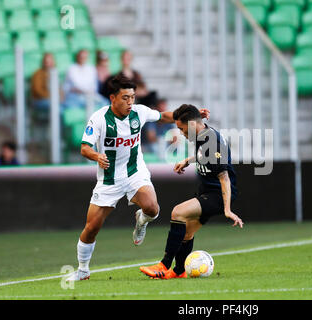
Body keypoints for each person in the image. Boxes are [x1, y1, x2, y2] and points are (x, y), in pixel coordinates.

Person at [65, 76, 210, 281]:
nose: (130, 102)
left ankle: (141, 220)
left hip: (135, 173)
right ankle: (82, 270)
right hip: (109, 180)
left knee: (152, 208)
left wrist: (193, 119)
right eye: (125, 98)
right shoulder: (98, 118)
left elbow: (165, 116)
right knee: (91, 228)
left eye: (132, 97)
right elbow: (84, 147)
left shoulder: (139, 113)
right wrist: (97, 156)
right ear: (113, 98)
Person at [140, 104, 243, 280]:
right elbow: (205, 155)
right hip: (208, 191)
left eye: (182, 128)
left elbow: (224, 177)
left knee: (178, 212)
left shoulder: (211, 142)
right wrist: (188, 160)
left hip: (218, 195)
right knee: (187, 232)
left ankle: (163, 265)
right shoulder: (202, 134)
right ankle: (179, 270)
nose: (180, 132)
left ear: (193, 124)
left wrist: (227, 210)